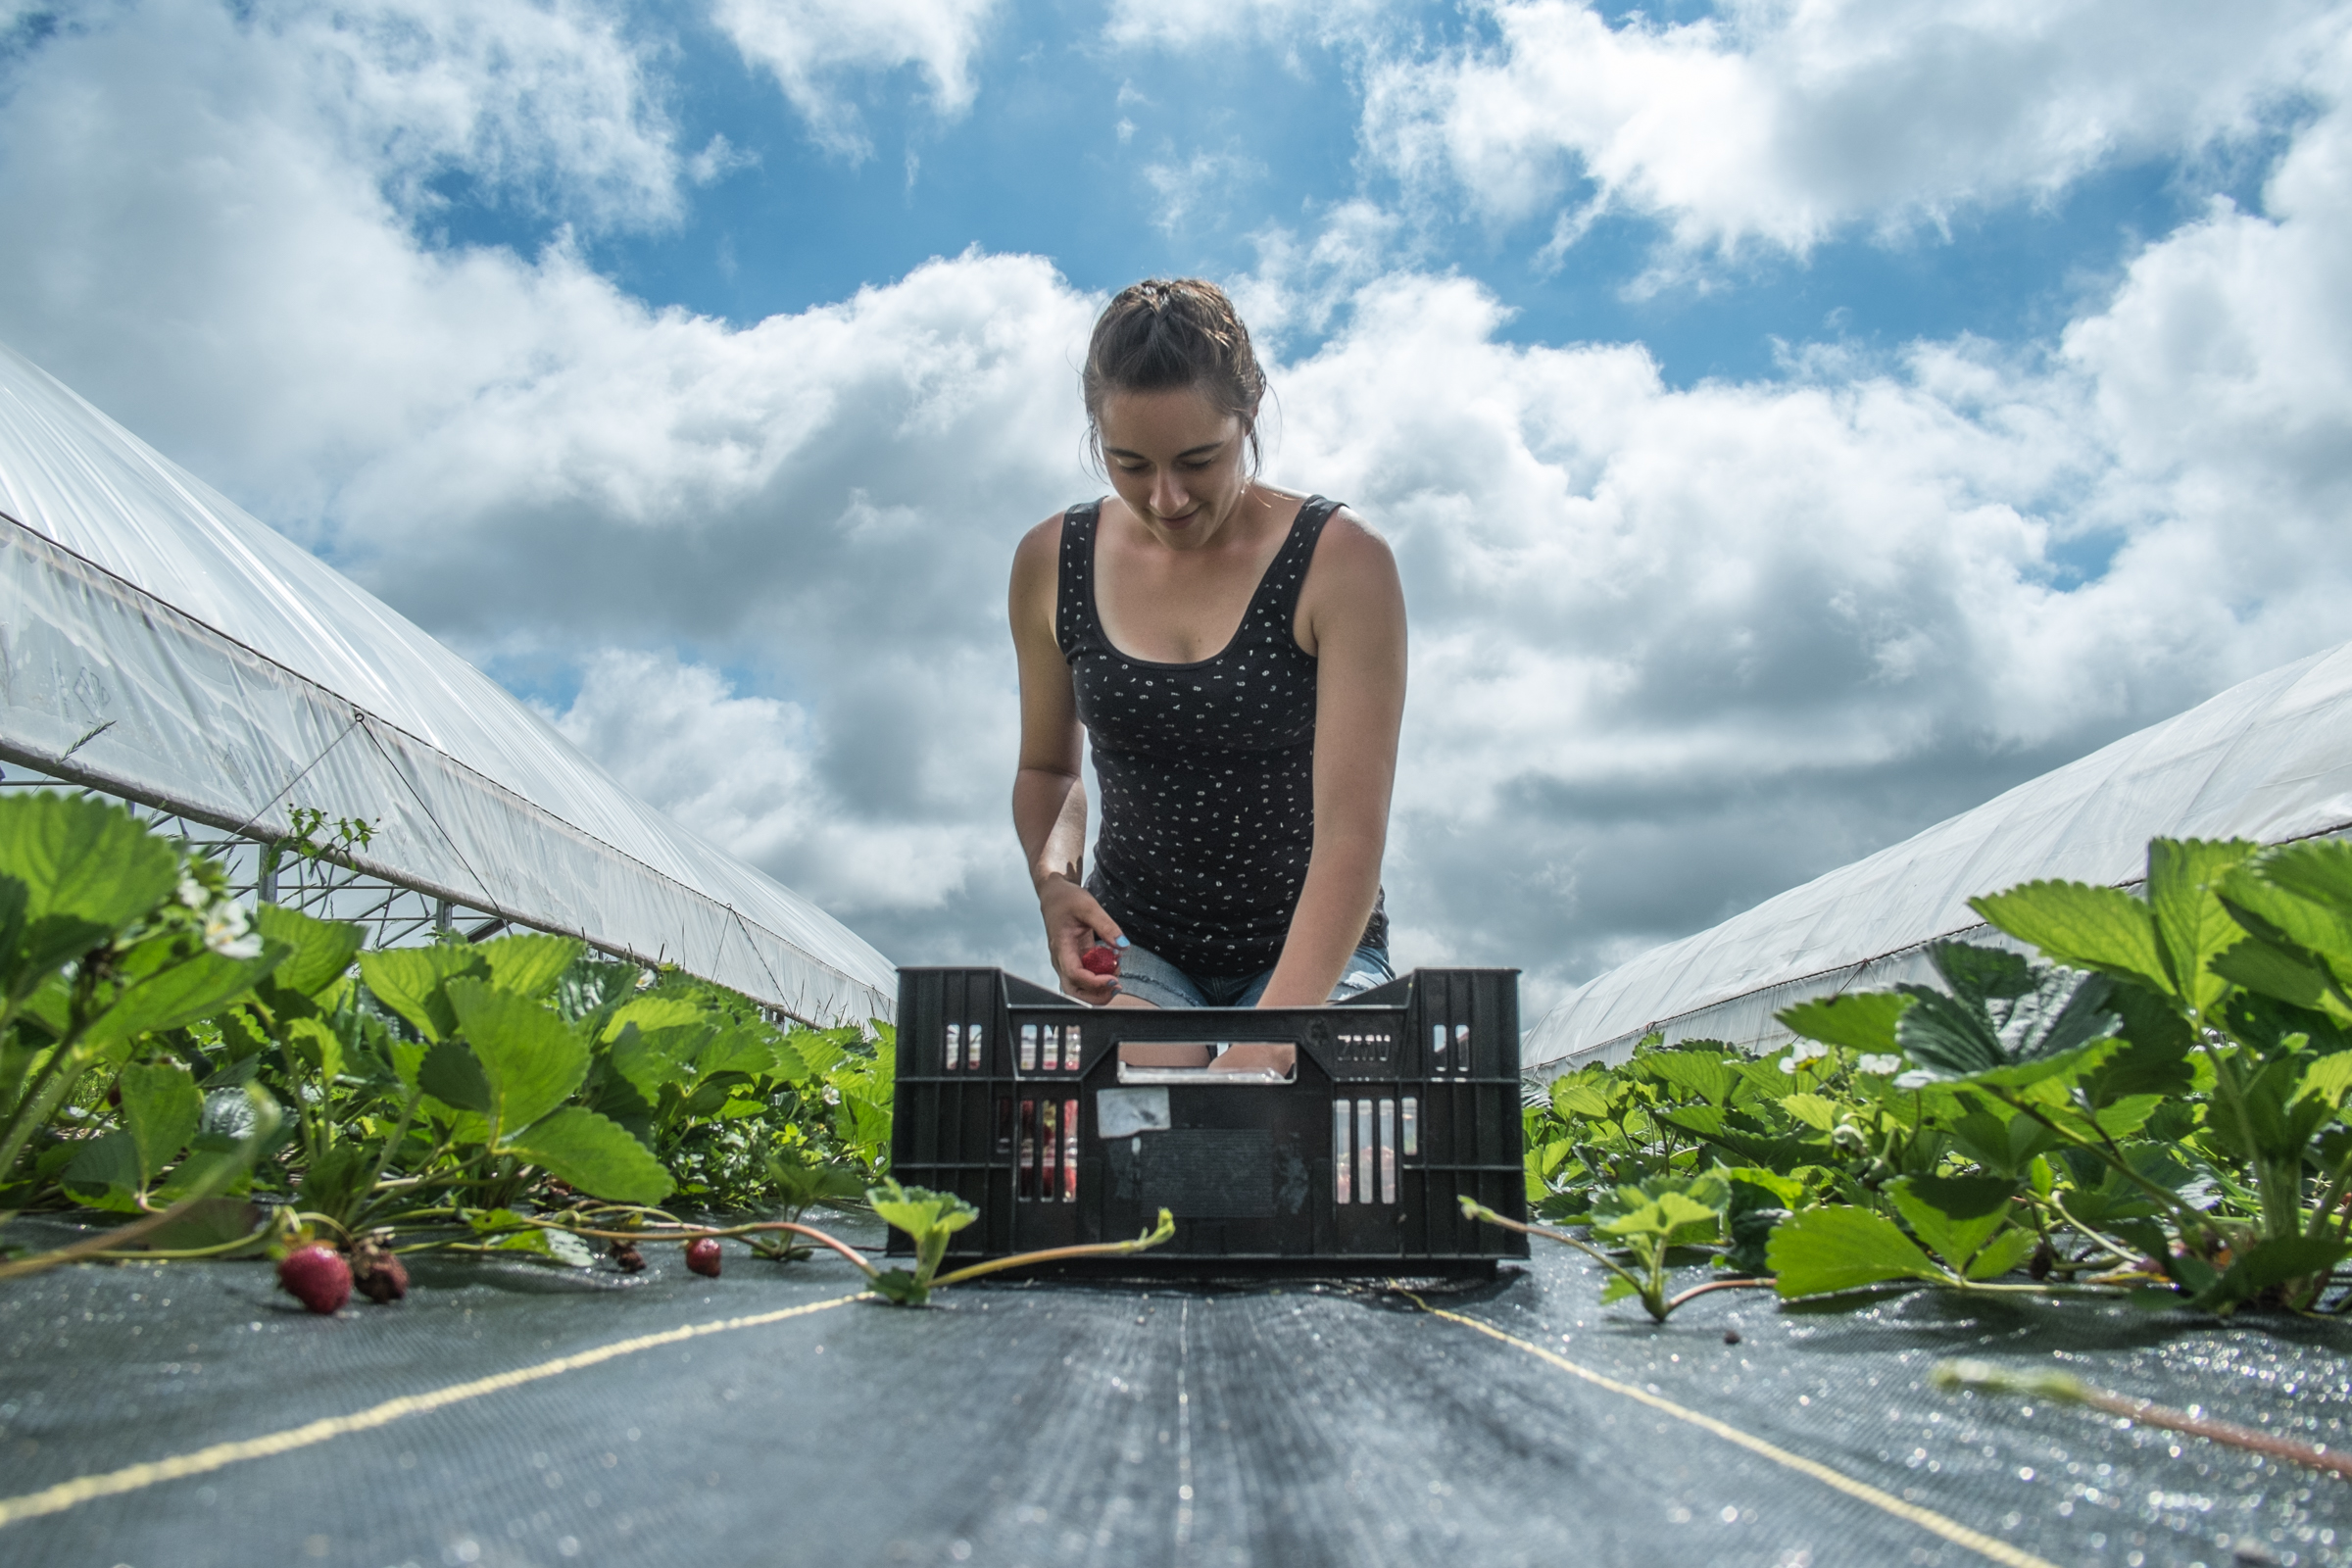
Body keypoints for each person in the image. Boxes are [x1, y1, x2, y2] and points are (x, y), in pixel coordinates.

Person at [1008, 278, 1406, 1009]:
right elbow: (1047, 769)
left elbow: (1353, 830)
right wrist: (1054, 886)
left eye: (1198, 460)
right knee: (1140, 1099)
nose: (1166, 498)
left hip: (1317, 946)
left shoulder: (1342, 562)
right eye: (1129, 464)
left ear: (1248, 416)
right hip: (1138, 942)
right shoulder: (1052, 561)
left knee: (1298, 1114)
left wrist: (1265, 1048)